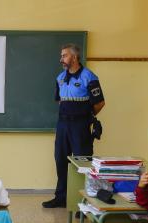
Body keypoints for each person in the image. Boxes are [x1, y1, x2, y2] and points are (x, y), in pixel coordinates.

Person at [42, 43, 105, 208]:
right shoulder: (60, 78)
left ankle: (83, 202)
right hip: (63, 124)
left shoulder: (89, 77)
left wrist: (85, 117)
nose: (61, 59)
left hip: (80, 126)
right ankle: (61, 197)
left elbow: (99, 103)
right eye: (61, 56)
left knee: (82, 162)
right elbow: (60, 100)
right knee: (61, 160)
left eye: (64, 55)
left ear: (75, 57)